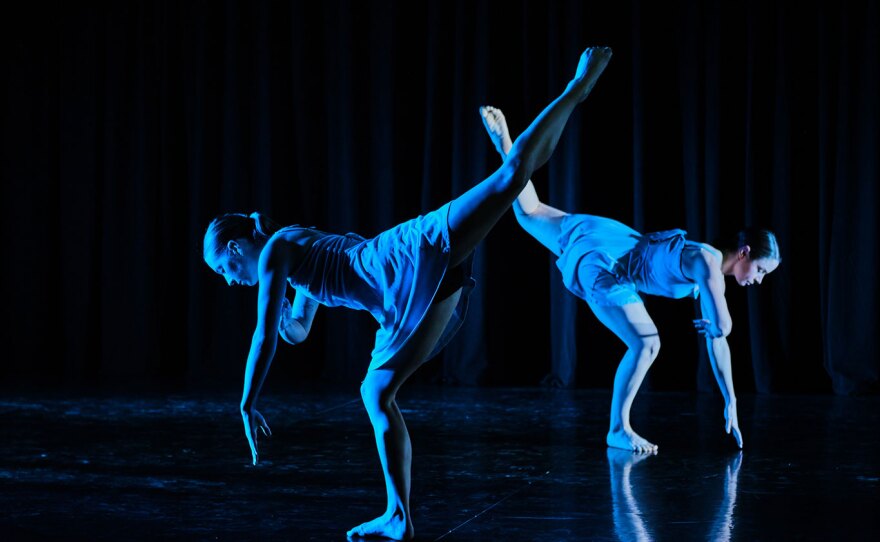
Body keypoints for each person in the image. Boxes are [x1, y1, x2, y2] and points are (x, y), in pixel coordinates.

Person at [203, 47, 613, 541]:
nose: (229, 280)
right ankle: (398, 515)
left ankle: (576, 88)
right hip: (401, 285)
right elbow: (295, 328)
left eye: (224, 269)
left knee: (509, 180)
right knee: (376, 392)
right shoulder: (293, 253)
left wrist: (247, 403)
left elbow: (264, 337)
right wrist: (286, 318)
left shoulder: (275, 253)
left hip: (403, 259)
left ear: (234, 247)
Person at [479, 105, 781, 454]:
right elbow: (723, 328)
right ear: (743, 253)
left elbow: (717, 340)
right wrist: (718, 325)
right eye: (760, 270)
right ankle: (618, 428)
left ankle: (506, 146)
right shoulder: (708, 265)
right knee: (647, 344)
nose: (758, 280)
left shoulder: (706, 265)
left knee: (530, 212)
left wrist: (731, 400)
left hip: (609, 238)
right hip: (611, 265)